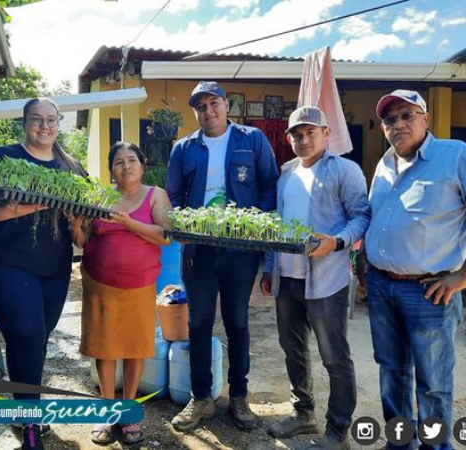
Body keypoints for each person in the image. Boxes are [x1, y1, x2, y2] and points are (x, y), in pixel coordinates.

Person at [166, 81, 279, 431]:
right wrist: (182, 228)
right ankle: (201, 397)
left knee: (237, 322)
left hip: (239, 252)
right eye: (200, 106)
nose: (208, 111)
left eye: (213, 103)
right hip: (198, 252)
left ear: (226, 105)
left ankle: (239, 396)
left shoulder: (252, 139)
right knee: (198, 323)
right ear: (195, 112)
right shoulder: (184, 148)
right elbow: (173, 196)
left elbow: (269, 185)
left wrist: (255, 228)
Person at [0, 98, 84, 450]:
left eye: (51, 119)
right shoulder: (1, 158)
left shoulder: (71, 167)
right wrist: (43, 200)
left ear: (59, 123)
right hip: (6, 264)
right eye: (36, 119)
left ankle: (22, 408)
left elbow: (80, 229)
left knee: (34, 340)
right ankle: (31, 423)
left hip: (54, 269)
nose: (44, 126)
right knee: (26, 332)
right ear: (24, 123)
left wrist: (78, 220)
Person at [260, 106, 370, 449]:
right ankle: (303, 413)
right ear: (289, 138)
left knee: (334, 356)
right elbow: (276, 224)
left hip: (326, 281)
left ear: (326, 133)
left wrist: (336, 241)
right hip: (287, 278)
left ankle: (337, 430)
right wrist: (269, 267)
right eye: (297, 134)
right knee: (292, 349)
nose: (304, 139)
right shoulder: (286, 173)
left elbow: (361, 216)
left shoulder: (345, 171)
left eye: (311, 132)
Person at [364, 90, 466, 450]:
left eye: (407, 115)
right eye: (390, 120)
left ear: (425, 118)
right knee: (392, 373)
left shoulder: (455, 155)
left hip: (429, 292)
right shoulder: (384, 164)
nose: (398, 124)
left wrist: (462, 276)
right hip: (381, 286)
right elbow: (377, 217)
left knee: (433, 382)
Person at [70, 141, 171, 445]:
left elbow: (165, 236)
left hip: (139, 285)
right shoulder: (100, 197)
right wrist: (76, 225)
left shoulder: (156, 195)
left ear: (142, 164)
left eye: (131, 160)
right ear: (111, 169)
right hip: (100, 284)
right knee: (106, 348)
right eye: (119, 162)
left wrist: (129, 223)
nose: (126, 166)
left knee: (134, 347)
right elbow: (82, 242)